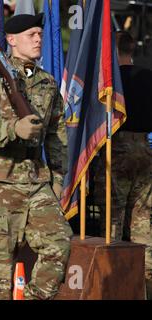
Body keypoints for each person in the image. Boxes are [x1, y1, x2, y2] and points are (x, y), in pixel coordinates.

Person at [0, 13, 73, 300]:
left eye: (40, 33)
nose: (39, 39)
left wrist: (57, 177)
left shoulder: (48, 83)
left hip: (37, 180)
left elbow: (56, 134)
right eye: (32, 35)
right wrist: (14, 128)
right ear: (12, 40)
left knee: (60, 242)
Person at [93, 31, 152, 298]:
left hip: (115, 151)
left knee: (112, 221)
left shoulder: (109, 83)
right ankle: (145, 284)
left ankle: (115, 284)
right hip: (145, 150)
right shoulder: (148, 77)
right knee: (142, 221)